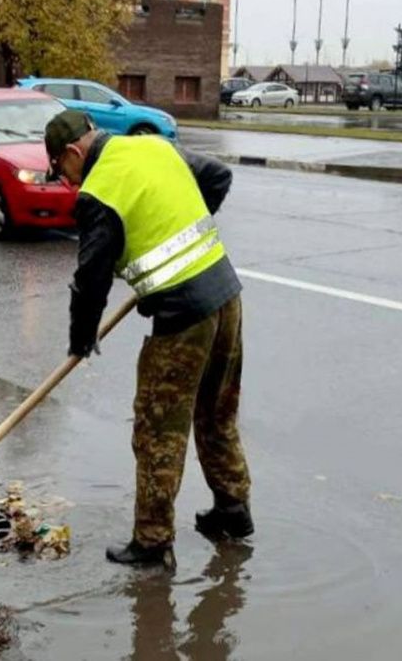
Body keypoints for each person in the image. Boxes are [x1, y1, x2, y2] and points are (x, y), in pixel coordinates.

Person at [44, 110, 253, 567]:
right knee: (217, 412)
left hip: (185, 316)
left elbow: (91, 279)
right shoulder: (152, 145)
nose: (65, 182)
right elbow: (217, 176)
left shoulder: (98, 193)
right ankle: (232, 509)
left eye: (61, 170)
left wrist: (81, 340)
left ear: (74, 153)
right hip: (226, 295)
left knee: (158, 429)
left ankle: (153, 542)